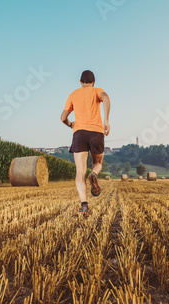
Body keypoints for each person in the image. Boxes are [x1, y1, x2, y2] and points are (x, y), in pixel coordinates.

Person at [60, 70, 111, 215]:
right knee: (98, 163)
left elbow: (63, 117)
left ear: (81, 82)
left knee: (80, 172)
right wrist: (106, 121)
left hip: (79, 133)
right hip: (96, 132)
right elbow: (106, 98)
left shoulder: (73, 94)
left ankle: (84, 205)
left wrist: (71, 125)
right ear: (93, 82)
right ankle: (94, 173)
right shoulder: (97, 90)